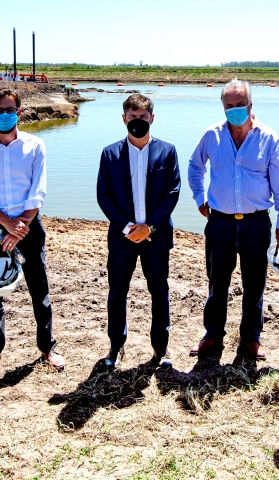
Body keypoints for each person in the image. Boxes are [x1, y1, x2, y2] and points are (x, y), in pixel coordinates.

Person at [188, 79, 279, 360]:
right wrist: (200, 198)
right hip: (220, 222)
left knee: (254, 283)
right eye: (229, 106)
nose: (235, 110)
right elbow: (195, 167)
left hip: (256, 224)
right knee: (216, 282)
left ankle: (251, 338)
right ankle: (213, 335)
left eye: (240, 105)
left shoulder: (269, 137)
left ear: (250, 105)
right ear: (223, 106)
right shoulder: (212, 135)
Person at [0, 88, 65, 379]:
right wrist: (6, 225)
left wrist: (21, 224)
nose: (5, 115)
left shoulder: (35, 146)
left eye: (10, 110)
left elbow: (38, 191)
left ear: (19, 113)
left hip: (29, 227)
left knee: (39, 288)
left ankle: (47, 347)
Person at [96, 93, 181, 369]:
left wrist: (150, 226)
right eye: (132, 118)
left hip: (155, 237)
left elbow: (172, 192)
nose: (138, 122)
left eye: (143, 117)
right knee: (117, 292)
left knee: (159, 291)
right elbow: (104, 196)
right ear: (124, 119)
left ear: (152, 119)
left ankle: (161, 348)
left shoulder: (167, 151)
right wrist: (126, 227)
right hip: (122, 238)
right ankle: (116, 347)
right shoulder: (110, 154)